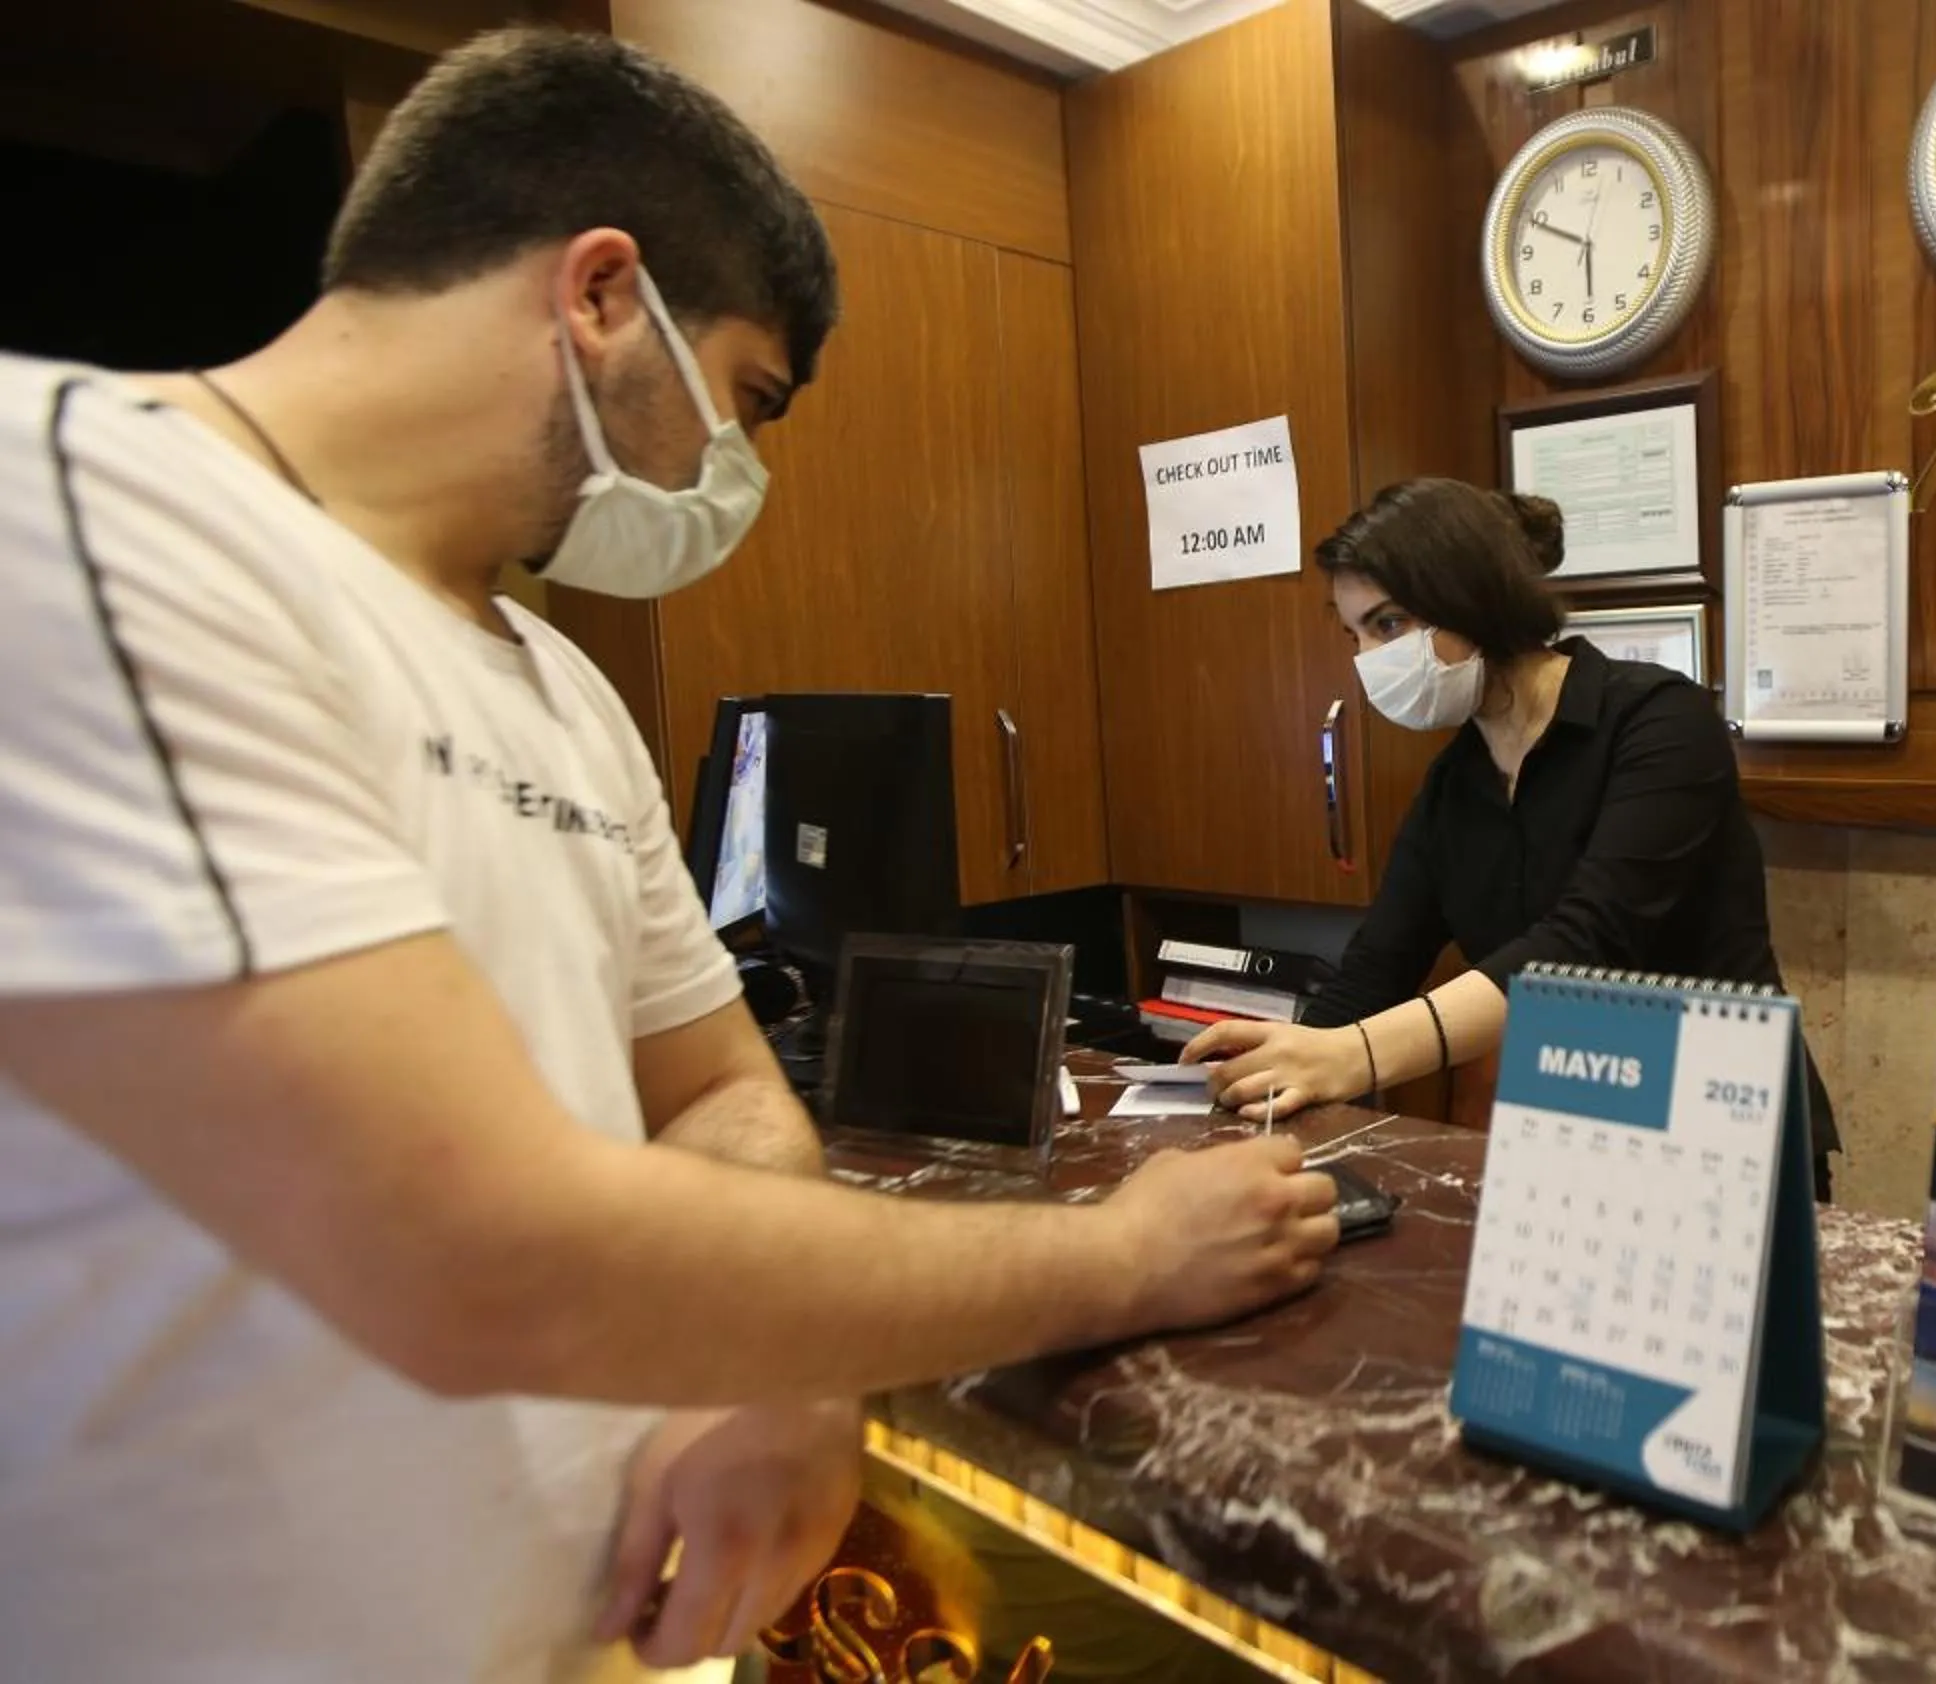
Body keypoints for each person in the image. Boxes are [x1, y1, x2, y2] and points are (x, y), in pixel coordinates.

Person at [0, 30, 1335, 1682]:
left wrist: (781, 1366)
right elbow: (474, 1252)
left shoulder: (552, 681)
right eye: (748, 402)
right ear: (603, 295)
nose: (739, 476)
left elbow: (717, 1093)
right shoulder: (77, 513)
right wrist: (1125, 1255)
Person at [1181, 478, 1840, 1195]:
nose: (1369, 659)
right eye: (1356, 635)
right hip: (1580, 1133)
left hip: (1726, 1133)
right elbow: (1378, 967)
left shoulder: (1659, 722)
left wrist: (1352, 1055)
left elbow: (1586, 948)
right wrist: (1277, 1065)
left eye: (1389, 624)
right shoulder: (1454, 786)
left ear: (1472, 597)